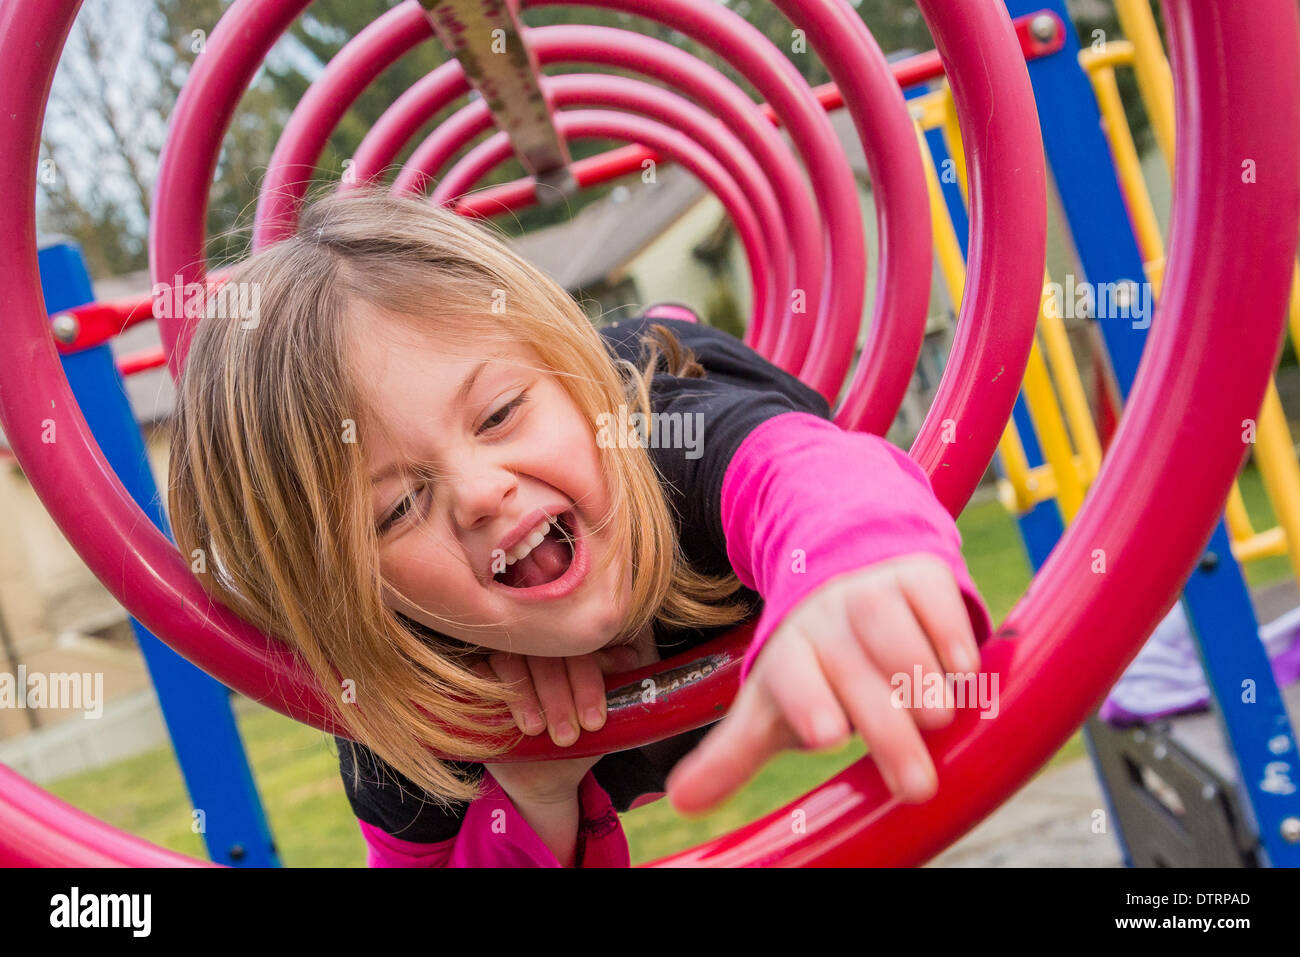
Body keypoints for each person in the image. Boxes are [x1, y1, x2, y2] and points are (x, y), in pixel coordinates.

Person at [166, 185, 993, 867]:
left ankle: (631, 335)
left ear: (567, 378)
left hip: (664, 376)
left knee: (658, 369)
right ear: (357, 590)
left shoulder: (671, 442)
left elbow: (804, 472)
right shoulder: (398, 705)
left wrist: (847, 566)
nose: (481, 492)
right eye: (398, 506)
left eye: (498, 413)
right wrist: (531, 795)